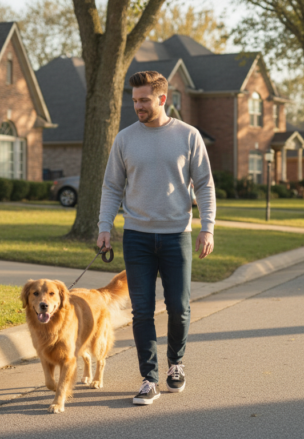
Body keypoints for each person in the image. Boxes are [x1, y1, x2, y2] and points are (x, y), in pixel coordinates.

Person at [96, 70, 216, 405]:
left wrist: (208, 226)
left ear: (163, 99)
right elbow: (111, 187)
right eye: (134, 100)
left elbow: (205, 185)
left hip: (177, 234)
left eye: (144, 100)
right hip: (137, 237)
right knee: (143, 310)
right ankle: (149, 379)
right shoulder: (125, 139)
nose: (138, 106)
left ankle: (175, 363)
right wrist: (104, 226)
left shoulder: (188, 136)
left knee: (178, 307)